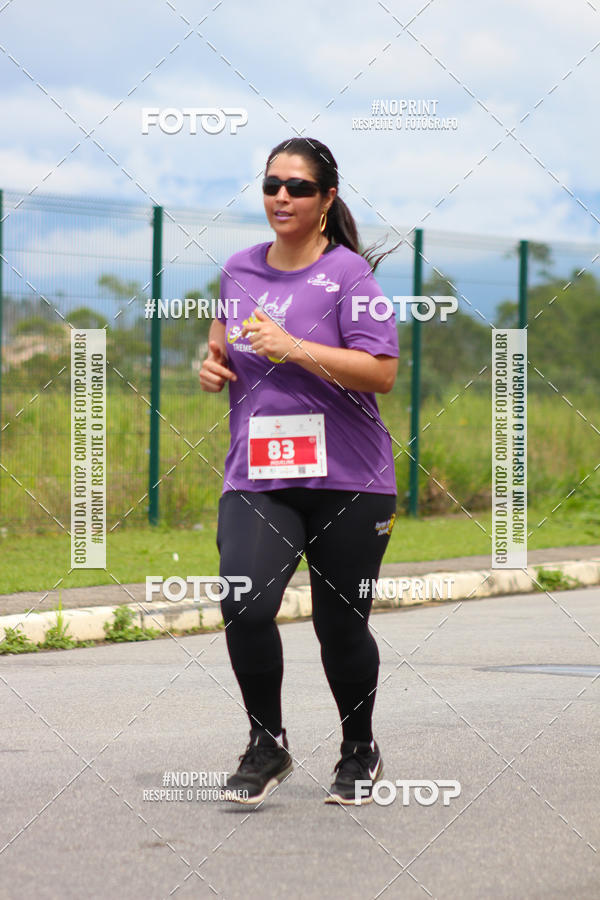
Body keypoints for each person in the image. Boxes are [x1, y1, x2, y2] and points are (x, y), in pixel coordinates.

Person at [199, 137, 399, 806]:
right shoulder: (236, 270)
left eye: (298, 187)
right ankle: (267, 742)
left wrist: (297, 348)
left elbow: (382, 372)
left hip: (350, 480)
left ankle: (359, 749)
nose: (281, 196)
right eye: (272, 184)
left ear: (326, 200)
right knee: (245, 602)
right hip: (259, 474)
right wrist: (212, 368)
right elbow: (222, 347)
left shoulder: (350, 277)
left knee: (339, 626)